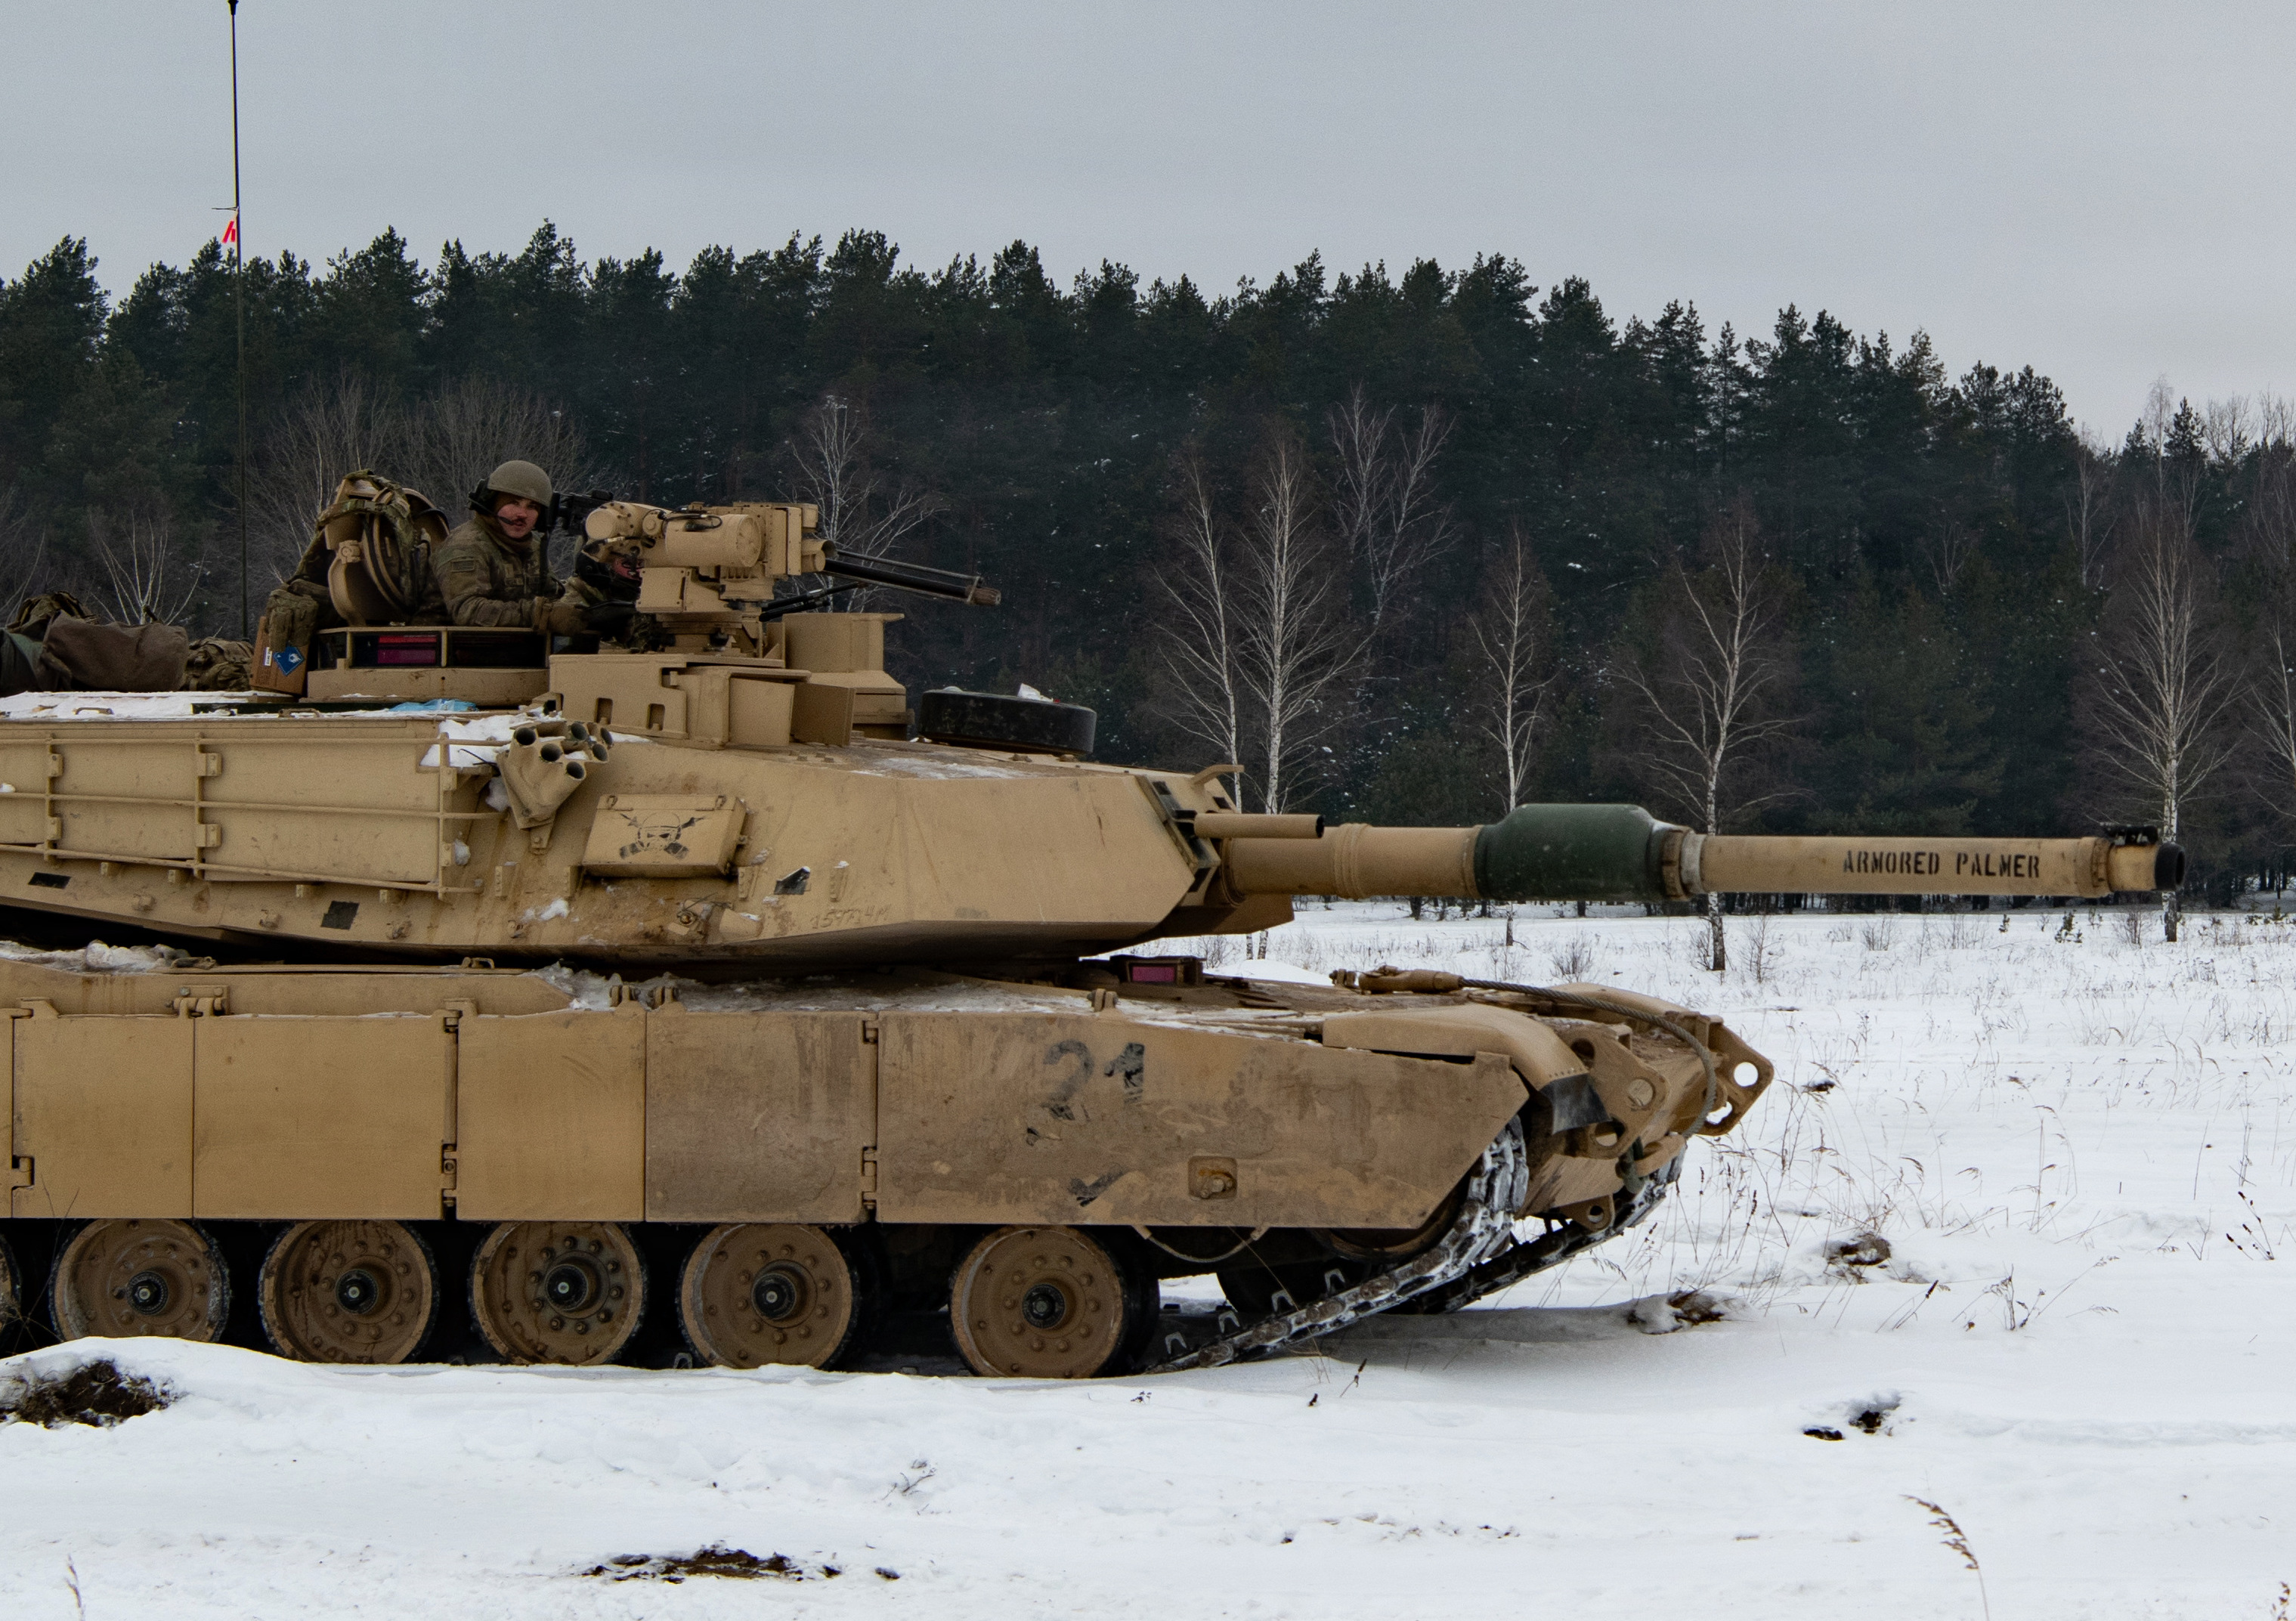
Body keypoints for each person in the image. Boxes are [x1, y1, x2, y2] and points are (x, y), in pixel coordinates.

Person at [432, 459, 627, 636]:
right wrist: (541, 615)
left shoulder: (533, 546)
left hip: (514, 651)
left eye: (532, 507)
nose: (522, 514)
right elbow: (467, 611)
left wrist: (587, 615)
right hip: (457, 655)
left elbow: (551, 597)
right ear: (491, 504)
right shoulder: (465, 545)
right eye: (514, 503)